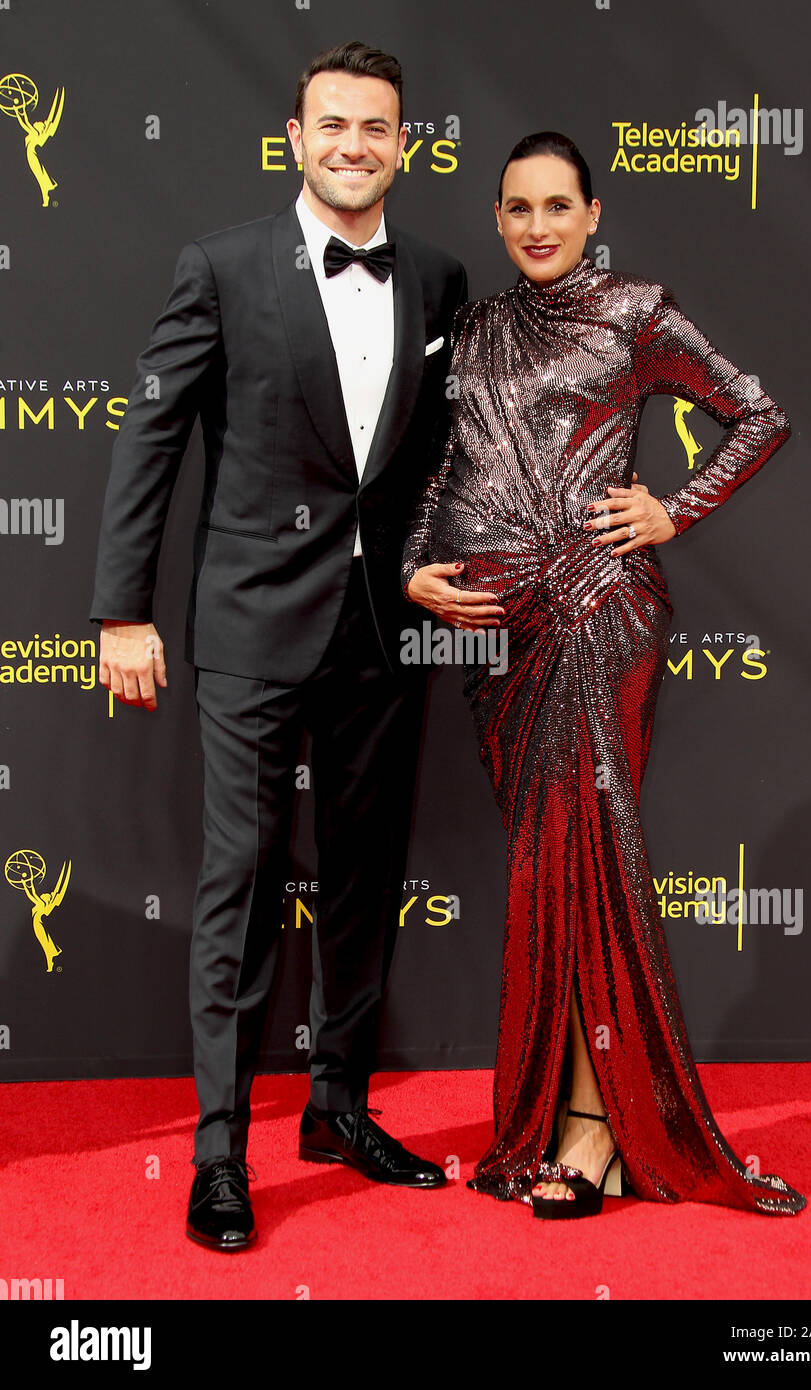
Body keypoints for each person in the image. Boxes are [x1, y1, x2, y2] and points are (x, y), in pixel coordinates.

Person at [90, 41, 469, 1250]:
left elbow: (444, 460)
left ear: (401, 145)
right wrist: (121, 609)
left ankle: (340, 1107)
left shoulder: (441, 277)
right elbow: (149, 443)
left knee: (364, 881)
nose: (355, 144)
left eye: (377, 127)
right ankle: (219, 1154)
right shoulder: (220, 268)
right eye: (333, 125)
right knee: (240, 889)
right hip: (251, 627)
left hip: (384, 631)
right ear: (296, 138)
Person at [402, 131, 806, 1219]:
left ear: (591, 214)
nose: (535, 225)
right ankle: (597, 1116)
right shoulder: (480, 326)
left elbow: (756, 412)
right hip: (506, 638)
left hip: (597, 615)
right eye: (515, 207)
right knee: (550, 876)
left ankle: (590, 1128)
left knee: (587, 868)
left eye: (555, 206)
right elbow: (453, 462)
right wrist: (410, 571)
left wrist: (674, 506)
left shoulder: (633, 310)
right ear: (498, 218)